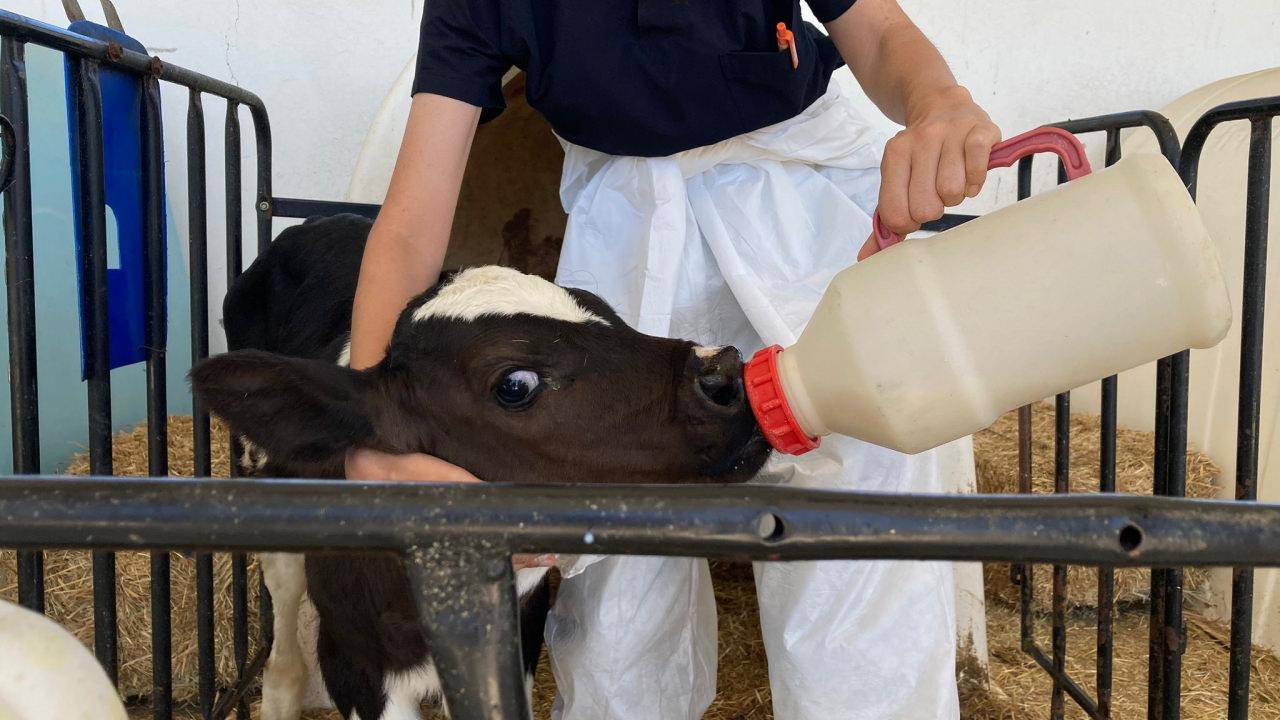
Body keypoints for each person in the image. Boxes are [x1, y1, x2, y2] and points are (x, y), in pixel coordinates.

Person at [344, 1, 999, 718]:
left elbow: (877, 30)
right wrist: (373, 426)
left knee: (864, 501)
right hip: (630, 232)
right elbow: (412, 221)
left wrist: (940, 103)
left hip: (802, 208)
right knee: (620, 557)